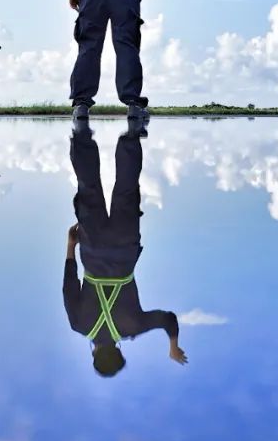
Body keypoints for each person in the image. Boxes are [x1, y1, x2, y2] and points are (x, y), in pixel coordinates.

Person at [63, 123, 187, 378]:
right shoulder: (79, 324)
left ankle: (132, 130)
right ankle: (81, 126)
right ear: (94, 354)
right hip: (93, 248)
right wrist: (71, 246)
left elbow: (168, 319)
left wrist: (173, 346)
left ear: (120, 352)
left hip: (125, 247)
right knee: (88, 187)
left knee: (127, 188)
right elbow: (69, 286)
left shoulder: (133, 327)